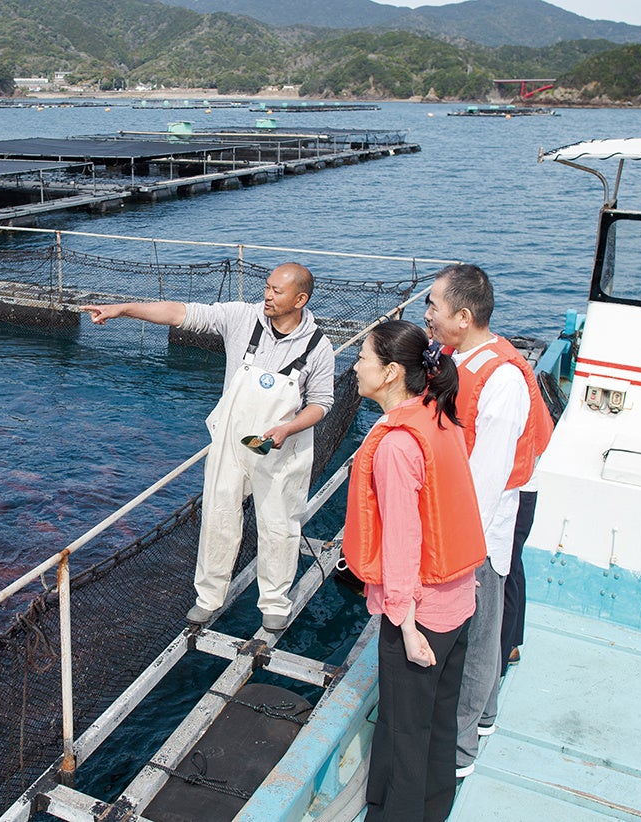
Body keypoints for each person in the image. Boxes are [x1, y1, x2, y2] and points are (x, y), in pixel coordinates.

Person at [82, 262, 334, 632]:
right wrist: (123, 309)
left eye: (276, 291)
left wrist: (288, 428)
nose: (266, 294)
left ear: (300, 299)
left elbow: (322, 403)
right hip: (232, 442)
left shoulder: (319, 347)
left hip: (282, 449)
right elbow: (179, 313)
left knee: (279, 524)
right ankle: (209, 597)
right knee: (218, 516)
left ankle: (275, 601)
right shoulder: (240, 317)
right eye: (266, 287)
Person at [341, 319, 485, 822]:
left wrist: (403, 624)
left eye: (363, 357)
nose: (355, 365)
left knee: (405, 732)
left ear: (390, 373)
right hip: (459, 600)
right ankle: (433, 810)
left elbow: (403, 541)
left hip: (420, 615)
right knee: (438, 722)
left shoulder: (399, 445)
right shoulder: (437, 416)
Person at [423, 264, 552, 778]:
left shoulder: (501, 379)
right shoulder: (459, 356)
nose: (426, 315)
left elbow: (488, 476)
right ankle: (487, 715)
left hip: (489, 515)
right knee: (484, 620)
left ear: (464, 316)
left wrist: (454, 545)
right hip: (471, 508)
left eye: (433, 306)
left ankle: (460, 749)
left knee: (478, 628)